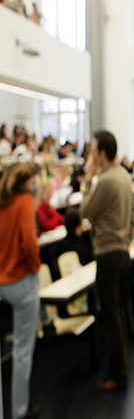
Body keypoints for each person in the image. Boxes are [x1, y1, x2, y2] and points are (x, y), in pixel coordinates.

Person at [80, 130, 134, 391]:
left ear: (102, 153)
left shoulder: (105, 181)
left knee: (111, 316)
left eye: (93, 150)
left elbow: (85, 211)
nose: (91, 155)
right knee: (118, 312)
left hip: (108, 254)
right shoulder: (124, 176)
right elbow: (133, 217)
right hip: (122, 252)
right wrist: (126, 241)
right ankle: (121, 367)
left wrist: (87, 179)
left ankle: (118, 375)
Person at [0, 163, 41, 419]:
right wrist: (36, 267)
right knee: (22, 351)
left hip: (2, 281)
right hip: (21, 281)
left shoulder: (2, 204)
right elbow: (29, 243)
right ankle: (19, 410)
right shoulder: (23, 202)